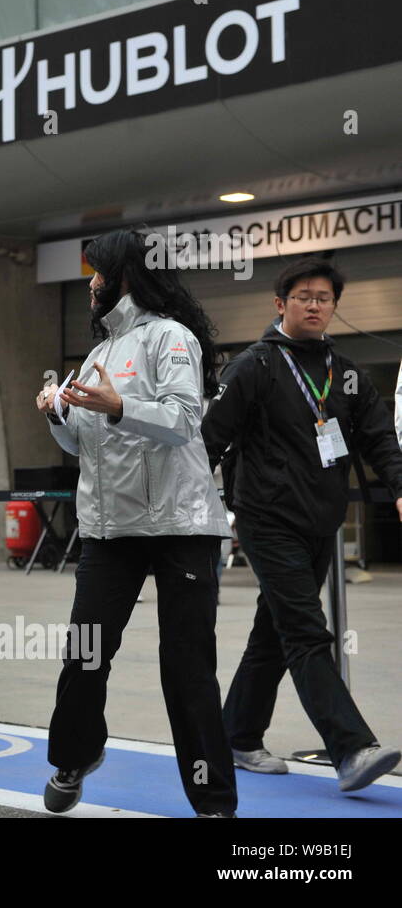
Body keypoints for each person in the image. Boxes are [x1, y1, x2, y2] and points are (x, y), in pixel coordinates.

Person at [36, 228, 237, 817]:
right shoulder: (99, 353)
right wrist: (59, 415)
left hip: (181, 528)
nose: (90, 283)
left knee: (187, 667)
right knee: (85, 654)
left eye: (97, 272)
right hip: (109, 529)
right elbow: (84, 444)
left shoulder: (172, 338)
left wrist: (120, 406)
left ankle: (214, 803)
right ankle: (74, 755)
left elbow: (181, 421)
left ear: (123, 275)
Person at [203, 257, 402, 792]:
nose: (314, 305)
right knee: (308, 633)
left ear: (334, 306)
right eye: (303, 296)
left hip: (321, 521)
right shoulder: (254, 366)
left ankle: (237, 736)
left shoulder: (347, 371)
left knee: (274, 632)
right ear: (280, 304)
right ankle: (353, 748)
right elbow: (209, 439)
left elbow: (380, 437)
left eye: (324, 298)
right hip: (268, 521)